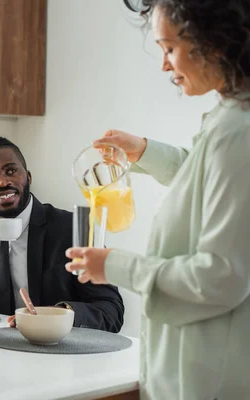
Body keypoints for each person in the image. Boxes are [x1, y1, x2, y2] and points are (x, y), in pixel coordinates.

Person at [65, 1, 250, 398]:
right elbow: (204, 180)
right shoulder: (229, 118)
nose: (165, 65)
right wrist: (144, 150)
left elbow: (222, 277)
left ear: (213, 42)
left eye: (168, 48)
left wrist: (116, 266)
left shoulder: (238, 132)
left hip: (208, 381)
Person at [0, 136, 124, 333]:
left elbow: (110, 311)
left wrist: (58, 316)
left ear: (28, 177)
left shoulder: (70, 228)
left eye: (11, 171)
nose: (2, 182)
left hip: (54, 354)